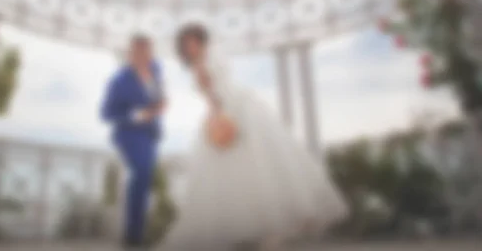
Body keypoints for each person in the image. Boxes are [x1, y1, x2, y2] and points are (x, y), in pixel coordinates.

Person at [159, 24, 348, 250]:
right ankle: (241, 232)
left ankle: (274, 230)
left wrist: (219, 104)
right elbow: (209, 96)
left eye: (194, 41)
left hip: (240, 109)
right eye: (186, 44)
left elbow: (220, 85)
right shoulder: (195, 66)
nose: (191, 47)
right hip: (218, 115)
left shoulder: (213, 55)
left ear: (201, 41)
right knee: (227, 174)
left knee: (259, 167)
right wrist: (215, 116)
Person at [101, 35, 166, 248]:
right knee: (140, 171)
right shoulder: (119, 80)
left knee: (144, 178)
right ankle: (133, 235)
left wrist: (161, 104)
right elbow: (106, 114)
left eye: (147, 52)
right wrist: (139, 115)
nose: (143, 57)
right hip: (128, 133)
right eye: (138, 52)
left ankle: (136, 232)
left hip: (150, 134)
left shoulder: (156, 69)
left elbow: (158, 95)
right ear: (130, 54)